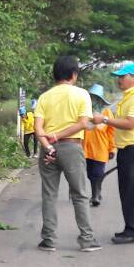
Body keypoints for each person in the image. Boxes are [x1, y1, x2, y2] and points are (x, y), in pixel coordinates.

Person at [33, 56, 101, 252]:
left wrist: (49, 146)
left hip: (48, 150)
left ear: (55, 75)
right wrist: (57, 136)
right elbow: (83, 123)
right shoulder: (82, 95)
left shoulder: (44, 97)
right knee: (79, 194)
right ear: (73, 74)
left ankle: (48, 240)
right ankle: (86, 240)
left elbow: (38, 129)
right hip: (72, 148)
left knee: (49, 194)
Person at [93, 61, 134, 244]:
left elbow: (130, 123)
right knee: (126, 191)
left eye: (122, 76)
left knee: (132, 191)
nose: (119, 80)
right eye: (118, 77)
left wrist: (105, 120)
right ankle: (130, 228)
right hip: (126, 150)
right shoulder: (128, 97)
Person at [83, 84, 115, 207]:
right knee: (90, 174)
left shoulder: (106, 113)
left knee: (97, 173)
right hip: (86, 149)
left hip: (101, 148)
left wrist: (112, 148)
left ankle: (95, 195)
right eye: (92, 97)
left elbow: (111, 132)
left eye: (96, 98)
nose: (94, 100)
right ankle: (97, 192)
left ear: (101, 100)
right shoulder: (84, 112)